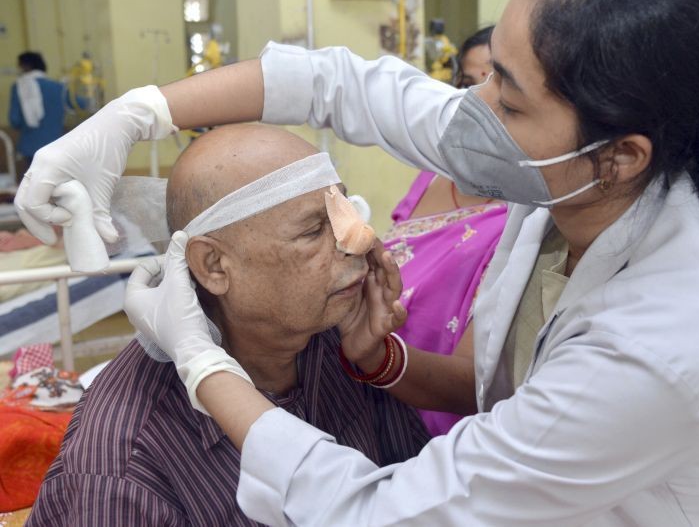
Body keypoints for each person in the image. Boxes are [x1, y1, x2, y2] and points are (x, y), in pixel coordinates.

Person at [14, 0, 699, 524]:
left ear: (621, 155)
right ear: (210, 264)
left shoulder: (662, 343)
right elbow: (341, 84)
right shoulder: (127, 465)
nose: (472, 108)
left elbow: (377, 510)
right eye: (481, 75)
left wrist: (201, 361)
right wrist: (141, 111)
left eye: (510, 98)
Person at [26, 123, 429, 526]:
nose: (358, 239)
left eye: (347, 211)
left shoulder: (334, 342)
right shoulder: (125, 461)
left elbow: (414, 497)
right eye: (313, 230)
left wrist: (378, 360)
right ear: (214, 266)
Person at [383, 25, 504, 436]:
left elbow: (472, 384)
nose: (480, 103)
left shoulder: (528, 215)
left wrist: (375, 355)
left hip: (436, 431)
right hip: (372, 401)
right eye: (467, 85)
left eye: (498, 82)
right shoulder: (433, 175)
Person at [7, 52, 65, 172]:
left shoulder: (19, 87)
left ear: (26, 66)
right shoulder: (59, 87)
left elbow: (15, 120)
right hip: (57, 145)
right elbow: (81, 105)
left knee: (35, 184)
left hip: (31, 147)